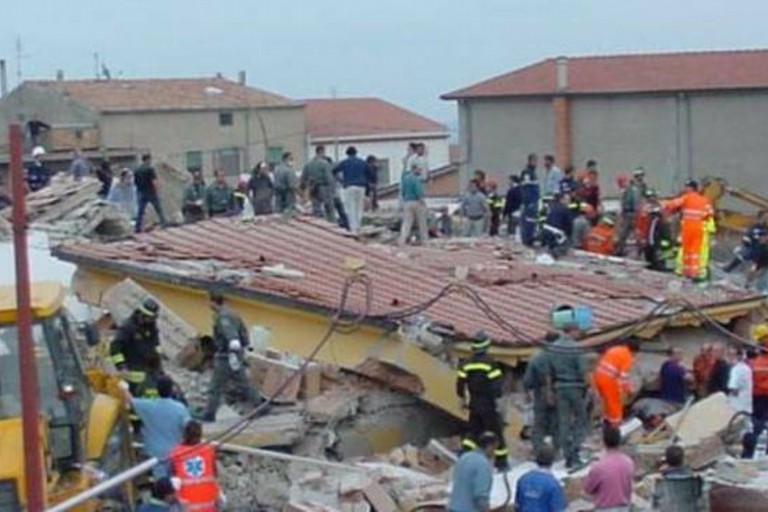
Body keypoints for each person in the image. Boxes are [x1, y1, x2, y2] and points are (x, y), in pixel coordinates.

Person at [199, 291, 259, 422]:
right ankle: (259, 404)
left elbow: (233, 339)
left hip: (226, 356)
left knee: (215, 386)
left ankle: (209, 414)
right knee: (242, 382)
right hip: (234, 356)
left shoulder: (224, 317)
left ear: (212, 301)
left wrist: (231, 354)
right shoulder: (231, 313)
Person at [456, 331, 508, 470]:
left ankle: (464, 456)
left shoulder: (466, 363)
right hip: (489, 404)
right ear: (486, 346)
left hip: (474, 403)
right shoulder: (490, 363)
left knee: (473, 432)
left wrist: (461, 398)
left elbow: (460, 383)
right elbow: (497, 386)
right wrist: (499, 401)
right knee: (496, 432)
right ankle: (501, 463)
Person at [119, 375, 190, 478]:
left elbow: (130, 399)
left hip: (155, 454)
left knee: (161, 482)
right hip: (176, 453)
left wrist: (123, 386)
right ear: (172, 389)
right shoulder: (180, 408)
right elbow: (188, 428)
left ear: (157, 390)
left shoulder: (147, 406)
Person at [547, 305, 590, 468]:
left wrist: (550, 390)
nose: (579, 334)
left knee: (563, 422)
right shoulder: (575, 348)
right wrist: (589, 387)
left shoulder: (552, 348)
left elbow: (549, 372)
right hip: (575, 387)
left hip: (559, 388)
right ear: (572, 331)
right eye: (578, 331)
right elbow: (583, 371)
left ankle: (566, 455)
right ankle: (575, 452)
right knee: (580, 420)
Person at [663, 179, 715, 281]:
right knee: (695, 251)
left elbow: (673, 204)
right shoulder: (704, 200)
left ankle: (685, 271)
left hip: (688, 227)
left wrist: (662, 204)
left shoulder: (686, 198)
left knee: (686, 249)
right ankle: (693, 272)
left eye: (687, 187)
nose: (685, 189)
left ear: (691, 188)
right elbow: (710, 213)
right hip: (699, 227)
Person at [110, 298, 162, 398]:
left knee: (153, 397)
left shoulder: (151, 328)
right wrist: (121, 366)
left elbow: (156, 346)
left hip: (151, 371)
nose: (151, 320)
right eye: (149, 318)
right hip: (133, 372)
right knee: (136, 401)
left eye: (153, 318)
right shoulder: (128, 328)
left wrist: (158, 365)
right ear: (141, 315)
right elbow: (115, 347)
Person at [169, 421, 220, 512]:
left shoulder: (176, 453)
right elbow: (215, 473)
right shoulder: (208, 450)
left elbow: (173, 478)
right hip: (208, 502)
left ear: (185, 434)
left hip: (187, 504)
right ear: (200, 434)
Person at [583, 426, 634, 512]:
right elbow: (630, 488)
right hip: (624, 508)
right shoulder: (628, 462)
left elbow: (587, 491)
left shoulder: (598, 466)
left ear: (603, 442)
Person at [523, 334, 558, 455]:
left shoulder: (536, 357)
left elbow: (528, 379)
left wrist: (527, 392)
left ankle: (538, 450)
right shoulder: (560, 354)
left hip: (540, 392)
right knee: (556, 422)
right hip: (558, 391)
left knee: (539, 423)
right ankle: (557, 450)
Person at [593, 339, 639, 428]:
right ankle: (615, 426)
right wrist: (628, 389)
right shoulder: (627, 356)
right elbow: (623, 376)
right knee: (615, 403)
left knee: (606, 402)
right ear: (633, 351)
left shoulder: (614, 349)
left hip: (598, 377)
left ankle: (605, 421)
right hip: (608, 380)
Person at [447, 431, 498, 512]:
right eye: (495, 448)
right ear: (490, 447)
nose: (494, 452)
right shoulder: (483, 464)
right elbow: (480, 497)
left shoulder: (464, 457)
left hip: (453, 507)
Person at [514, 445, 566, 512]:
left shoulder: (523, 479)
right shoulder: (553, 484)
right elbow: (557, 508)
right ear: (552, 461)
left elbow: (517, 505)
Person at [652, 445, 703, 512]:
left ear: (667, 461)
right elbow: (701, 501)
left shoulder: (659, 482)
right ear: (682, 459)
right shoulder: (695, 480)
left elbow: (654, 505)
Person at [743, 324, 768, 458]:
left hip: (757, 397)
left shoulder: (753, 363)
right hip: (761, 397)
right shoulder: (757, 363)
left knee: (757, 425)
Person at [334, 146, 369, 233]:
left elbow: (334, 171)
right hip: (361, 186)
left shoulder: (345, 162)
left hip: (349, 186)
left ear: (347, 154)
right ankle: (358, 226)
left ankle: (353, 228)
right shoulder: (362, 162)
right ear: (356, 153)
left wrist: (340, 180)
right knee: (359, 207)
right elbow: (370, 173)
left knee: (351, 208)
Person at [614, 168, 646, 256]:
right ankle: (619, 250)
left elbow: (640, 200)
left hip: (634, 214)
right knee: (625, 234)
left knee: (635, 233)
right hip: (630, 213)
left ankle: (640, 251)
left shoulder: (640, 187)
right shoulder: (632, 188)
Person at [134, 154, 168, 233]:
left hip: (141, 192)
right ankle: (164, 223)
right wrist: (158, 190)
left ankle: (137, 227)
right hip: (150, 192)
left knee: (140, 211)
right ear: (147, 160)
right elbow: (154, 181)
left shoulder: (137, 170)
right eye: (150, 160)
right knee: (158, 208)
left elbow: (135, 182)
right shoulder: (150, 169)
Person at [301, 146, 336, 222]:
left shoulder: (308, 164)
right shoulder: (324, 163)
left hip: (313, 188)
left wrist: (304, 189)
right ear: (321, 152)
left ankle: (318, 223)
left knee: (316, 207)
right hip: (324, 187)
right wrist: (333, 189)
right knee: (329, 208)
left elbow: (303, 178)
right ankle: (331, 223)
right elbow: (328, 177)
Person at [398, 162, 428, 245]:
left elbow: (402, 192)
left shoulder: (405, 179)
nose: (420, 171)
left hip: (407, 202)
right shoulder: (416, 179)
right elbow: (418, 191)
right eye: (419, 169)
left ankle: (402, 240)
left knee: (407, 222)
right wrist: (422, 200)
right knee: (422, 222)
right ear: (415, 169)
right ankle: (424, 240)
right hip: (416, 202)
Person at [644, 195, 675, 272]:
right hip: (651, 244)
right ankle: (653, 265)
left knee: (658, 258)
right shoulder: (651, 221)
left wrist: (665, 244)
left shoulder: (661, 222)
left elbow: (666, 235)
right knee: (651, 257)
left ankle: (660, 266)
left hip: (658, 244)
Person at [542, 193, 574, 258]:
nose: (569, 202)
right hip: (556, 232)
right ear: (561, 200)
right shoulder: (565, 209)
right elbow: (569, 225)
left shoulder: (550, 206)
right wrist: (569, 236)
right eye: (567, 200)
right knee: (563, 246)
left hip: (545, 229)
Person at [519, 153, 540, 246]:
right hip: (530, 202)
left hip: (534, 201)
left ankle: (530, 238)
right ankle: (527, 239)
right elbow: (526, 188)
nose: (536, 163)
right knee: (528, 221)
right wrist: (528, 201)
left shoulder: (533, 173)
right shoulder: (527, 173)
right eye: (534, 161)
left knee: (532, 221)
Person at [727, 346, 753, 415]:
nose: (729, 357)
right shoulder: (747, 368)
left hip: (737, 406)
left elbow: (733, 388)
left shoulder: (735, 370)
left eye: (732, 355)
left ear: (738, 356)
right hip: (747, 405)